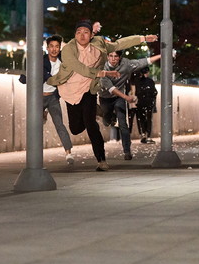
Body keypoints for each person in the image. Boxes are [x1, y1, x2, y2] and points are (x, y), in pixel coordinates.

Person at [46, 19, 158, 171]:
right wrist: (104, 73)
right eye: (78, 32)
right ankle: (97, 111)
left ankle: (101, 160)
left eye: (86, 32)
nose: (82, 35)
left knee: (91, 125)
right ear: (75, 35)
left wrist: (143, 38)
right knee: (75, 128)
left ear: (91, 35)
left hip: (89, 90)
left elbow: (119, 44)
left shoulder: (99, 44)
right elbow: (80, 68)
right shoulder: (68, 49)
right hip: (70, 90)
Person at [19, 35, 74, 164]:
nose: (54, 49)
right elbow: (37, 76)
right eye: (51, 46)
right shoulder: (40, 61)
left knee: (59, 124)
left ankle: (68, 153)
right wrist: (25, 79)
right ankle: (33, 155)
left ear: (60, 48)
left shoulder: (63, 63)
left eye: (57, 47)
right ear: (47, 47)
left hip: (53, 98)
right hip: (38, 98)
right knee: (35, 125)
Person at [99, 50, 161, 160]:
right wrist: (127, 97)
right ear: (107, 57)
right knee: (106, 121)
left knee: (123, 124)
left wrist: (161, 55)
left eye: (116, 56)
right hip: (105, 97)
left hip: (119, 98)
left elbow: (143, 61)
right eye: (111, 56)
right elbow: (111, 89)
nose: (113, 59)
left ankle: (127, 151)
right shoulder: (102, 67)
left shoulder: (125, 64)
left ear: (119, 57)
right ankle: (108, 117)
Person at [134, 67, 158, 143]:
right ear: (147, 73)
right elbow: (154, 92)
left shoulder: (137, 81)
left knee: (141, 119)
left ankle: (143, 134)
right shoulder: (150, 81)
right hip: (149, 103)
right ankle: (148, 135)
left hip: (140, 103)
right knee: (148, 119)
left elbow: (136, 92)